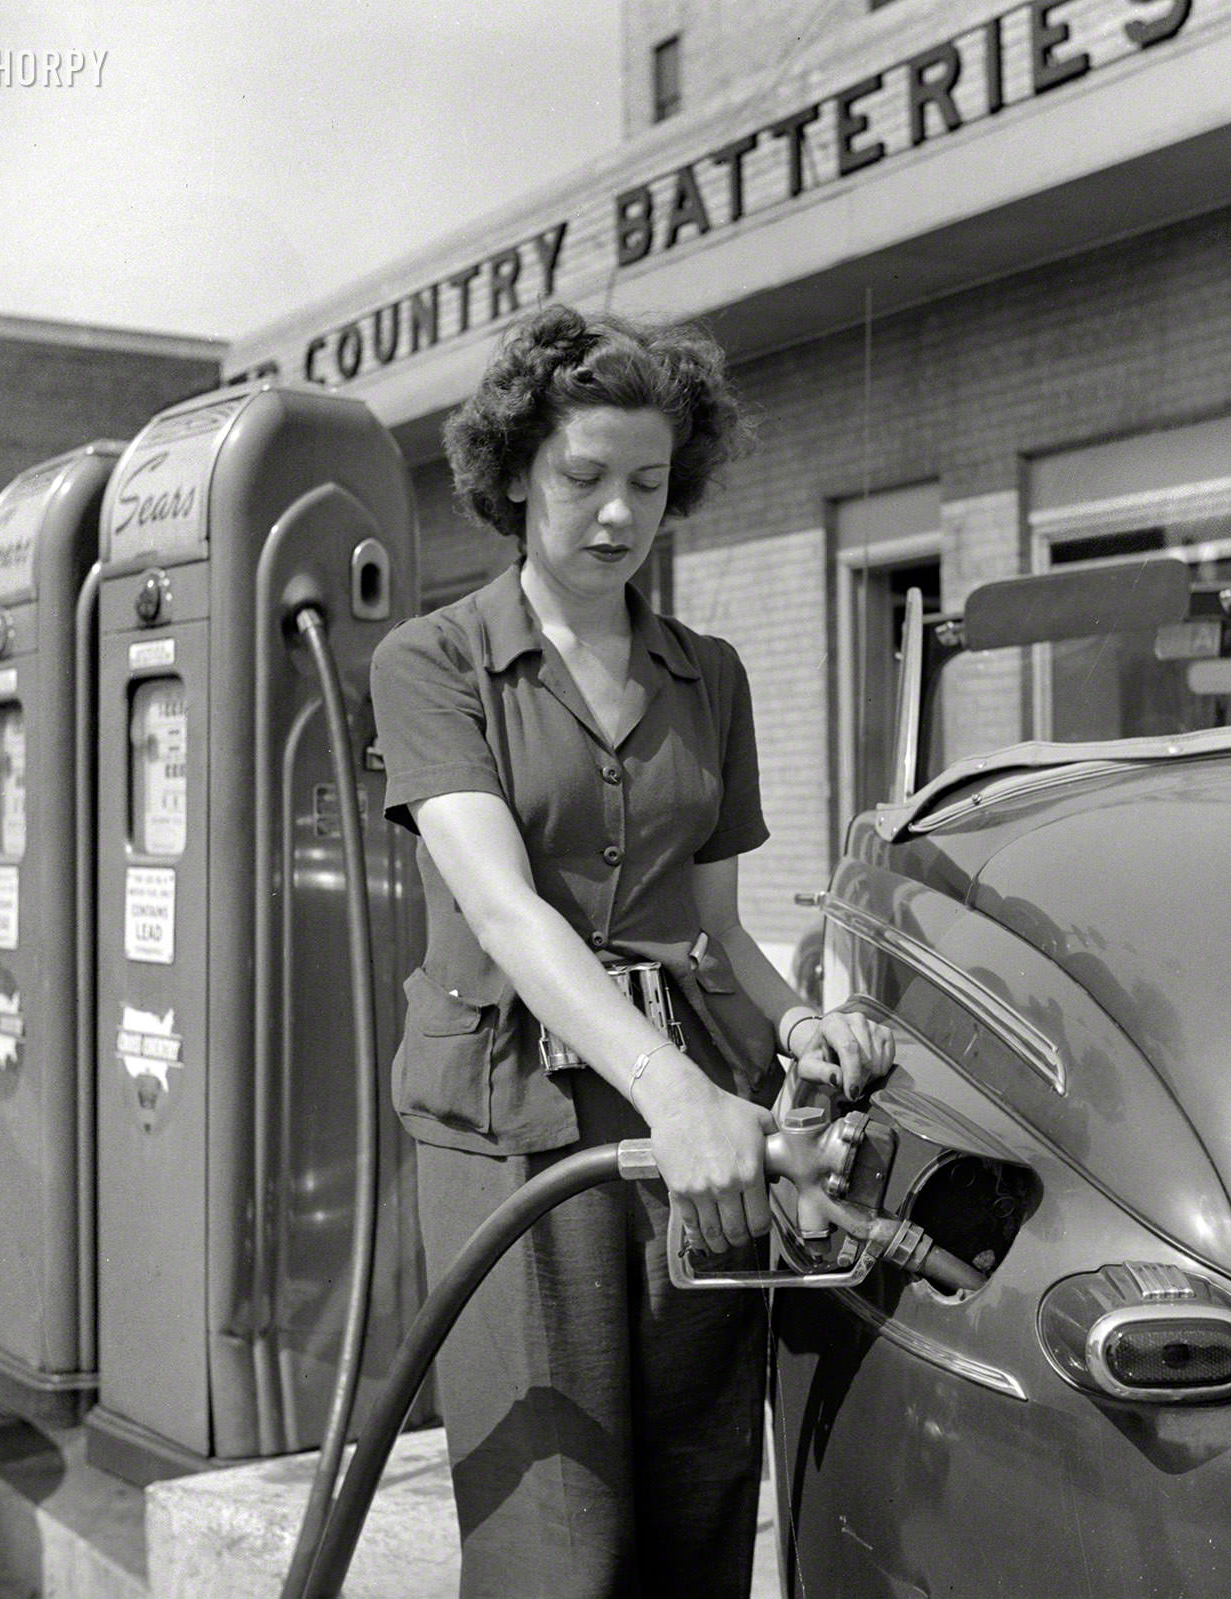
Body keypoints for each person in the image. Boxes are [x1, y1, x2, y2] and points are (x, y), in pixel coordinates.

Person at [369, 302, 894, 1599]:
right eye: (583, 477)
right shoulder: (434, 662)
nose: (617, 514)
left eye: (648, 484)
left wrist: (795, 1032)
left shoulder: (708, 674)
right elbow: (503, 909)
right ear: (514, 476)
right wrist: (677, 1092)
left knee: (702, 1510)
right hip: (514, 1130)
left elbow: (714, 934)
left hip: (699, 1130)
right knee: (560, 1545)